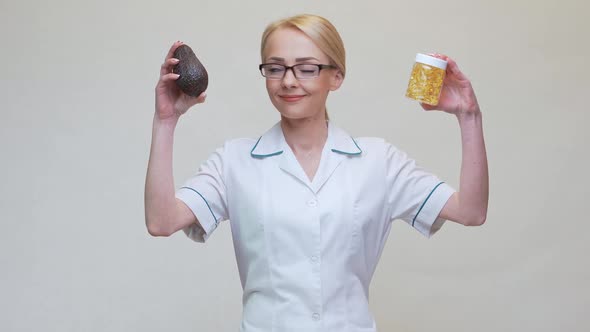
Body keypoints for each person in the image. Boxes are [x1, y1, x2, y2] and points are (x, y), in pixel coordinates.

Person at [144, 13, 488, 332]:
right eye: (275, 68)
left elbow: (470, 212)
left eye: (307, 68)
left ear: (336, 76)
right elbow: (161, 222)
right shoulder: (233, 161)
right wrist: (166, 120)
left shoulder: (378, 161)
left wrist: (468, 116)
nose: (289, 81)